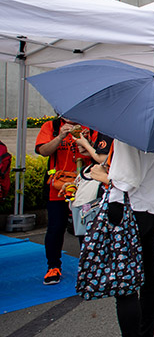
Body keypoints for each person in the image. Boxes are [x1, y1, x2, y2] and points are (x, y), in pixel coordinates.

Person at [89, 140, 154, 337]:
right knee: (149, 276)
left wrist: (103, 176)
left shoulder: (127, 136)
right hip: (152, 209)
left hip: (129, 210)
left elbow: (126, 181)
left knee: (124, 282)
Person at [35, 117, 98, 285]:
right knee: (55, 228)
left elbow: (99, 154)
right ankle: (53, 266)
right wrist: (60, 136)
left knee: (85, 228)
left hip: (85, 188)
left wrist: (86, 141)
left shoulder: (91, 125)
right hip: (58, 187)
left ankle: (89, 268)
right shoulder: (52, 126)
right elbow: (43, 151)